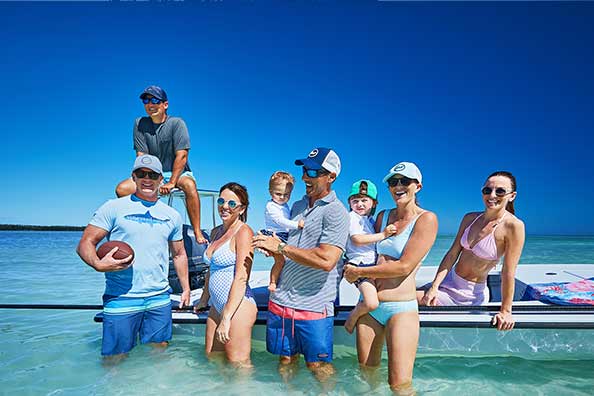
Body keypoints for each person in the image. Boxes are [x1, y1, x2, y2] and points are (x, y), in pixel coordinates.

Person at [77, 154, 190, 357]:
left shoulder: (172, 215)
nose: (147, 179)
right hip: (121, 297)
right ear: (133, 177)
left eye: (153, 175)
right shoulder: (112, 207)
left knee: (160, 354)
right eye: (141, 173)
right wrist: (97, 263)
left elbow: (179, 254)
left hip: (159, 297)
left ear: (161, 179)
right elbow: (86, 243)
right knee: (114, 358)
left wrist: (186, 289)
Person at [252, 147, 349, 384]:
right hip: (281, 303)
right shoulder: (296, 206)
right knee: (285, 361)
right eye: (305, 170)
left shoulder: (337, 212)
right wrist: (271, 249)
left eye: (314, 171)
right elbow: (288, 246)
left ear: (331, 177)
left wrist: (281, 248)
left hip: (313, 307)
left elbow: (327, 260)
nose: (306, 176)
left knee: (318, 366)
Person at [344, 162, 438, 394]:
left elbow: (403, 267)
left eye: (404, 181)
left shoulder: (427, 219)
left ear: (418, 186)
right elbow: (361, 249)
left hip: (401, 308)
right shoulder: (383, 216)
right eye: (393, 182)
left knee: (400, 385)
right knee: (366, 377)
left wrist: (359, 272)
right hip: (370, 307)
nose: (398, 186)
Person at [418, 171, 525, 331]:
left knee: (401, 300)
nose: (492, 195)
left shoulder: (513, 226)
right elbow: (452, 253)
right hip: (448, 282)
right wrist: (434, 286)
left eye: (500, 191)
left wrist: (506, 311)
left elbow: (508, 272)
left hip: (468, 295)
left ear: (512, 196)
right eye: (487, 190)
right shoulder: (470, 218)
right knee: (396, 296)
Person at [115, 85, 207, 244]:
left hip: (178, 173)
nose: (150, 104)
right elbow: (141, 156)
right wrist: (143, 177)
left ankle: (197, 232)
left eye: (155, 100)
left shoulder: (177, 123)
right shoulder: (139, 124)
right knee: (122, 189)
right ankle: (147, 226)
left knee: (189, 186)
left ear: (165, 104)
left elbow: (182, 155)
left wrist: (172, 182)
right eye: (146, 100)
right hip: (152, 173)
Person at [193, 182, 257, 367]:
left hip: (238, 307)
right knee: (213, 359)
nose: (224, 206)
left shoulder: (244, 232)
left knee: (238, 365)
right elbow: (211, 271)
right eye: (221, 201)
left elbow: (242, 277)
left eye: (232, 203)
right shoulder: (215, 232)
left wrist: (227, 316)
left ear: (242, 208)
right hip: (217, 306)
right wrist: (204, 299)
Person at [343, 179, 397, 334]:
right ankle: (352, 317)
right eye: (355, 200)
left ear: (373, 203)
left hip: (370, 266)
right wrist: (383, 234)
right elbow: (357, 240)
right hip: (358, 265)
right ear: (350, 203)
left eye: (364, 200)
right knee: (372, 303)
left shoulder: (369, 220)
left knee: (374, 297)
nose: (359, 204)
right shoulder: (352, 217)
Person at [262, 171, 305, 292]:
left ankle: (287, 281)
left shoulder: (284, 205)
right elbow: (280, 221)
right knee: (280, 261)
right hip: (276, 235)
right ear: (270, 192)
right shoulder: (271, 206)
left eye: (287, 194)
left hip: (285, 235)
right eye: (278, 194)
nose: (282, 197)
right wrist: (297, 225)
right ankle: (273, 282)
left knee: (291, 259)